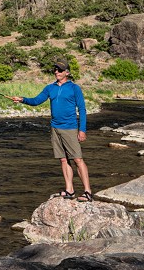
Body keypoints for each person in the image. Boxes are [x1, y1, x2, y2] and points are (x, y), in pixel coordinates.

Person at [11, 61, 92, 202]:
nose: (56, 72)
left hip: (70, 128)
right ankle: (69, 190)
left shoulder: (74, 88)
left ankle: (87, 192)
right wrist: (22, 100)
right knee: (63, 159)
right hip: (55, 128)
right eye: (55, 70)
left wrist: (82, 130)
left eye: (60, 70)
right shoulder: (50, 88)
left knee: (78, 159)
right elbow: (36, 101)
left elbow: (82, 110)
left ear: (67, 72)